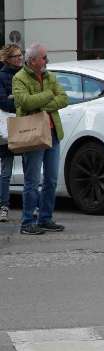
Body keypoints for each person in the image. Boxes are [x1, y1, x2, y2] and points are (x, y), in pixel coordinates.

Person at [11, 43, 67, 236]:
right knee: (32, 181)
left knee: (51, 179)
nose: (46, 60)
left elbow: (64, 98)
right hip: (33, 133)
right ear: (32, 60)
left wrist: (42, 102)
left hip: (52, 133)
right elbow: (25, 102)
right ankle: (27, 222)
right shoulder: (19, 78)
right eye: (43, 57)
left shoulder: (50, 76)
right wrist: (49, 95)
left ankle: (45, 218)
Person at [0, 44, 20, 223]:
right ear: (8, 59)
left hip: (25, 125)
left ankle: (32, 205)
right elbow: (3, 102)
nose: (19, 58)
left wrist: (14, 98)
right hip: (8, 127)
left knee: (31, 168)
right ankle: (3, 206)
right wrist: (22, 103)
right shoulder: (1, 76)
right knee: (6, 170)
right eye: (16, 56)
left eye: (20, 55)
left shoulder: (25, 74)